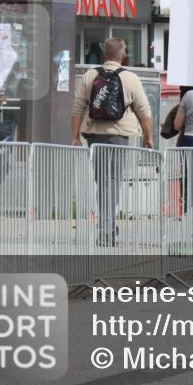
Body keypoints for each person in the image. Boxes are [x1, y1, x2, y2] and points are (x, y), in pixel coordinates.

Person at [71, 38, 153, 246]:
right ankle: (107, 229)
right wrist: (148, 137)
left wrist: (75, 136)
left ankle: (106, 226)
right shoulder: (130, 78)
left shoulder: (90, 75)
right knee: (113, 182)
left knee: (102, 182)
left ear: (104, 55)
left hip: (94, 136)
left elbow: (78, 108)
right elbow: (144, 112)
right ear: (123, 56)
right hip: (119, 136)